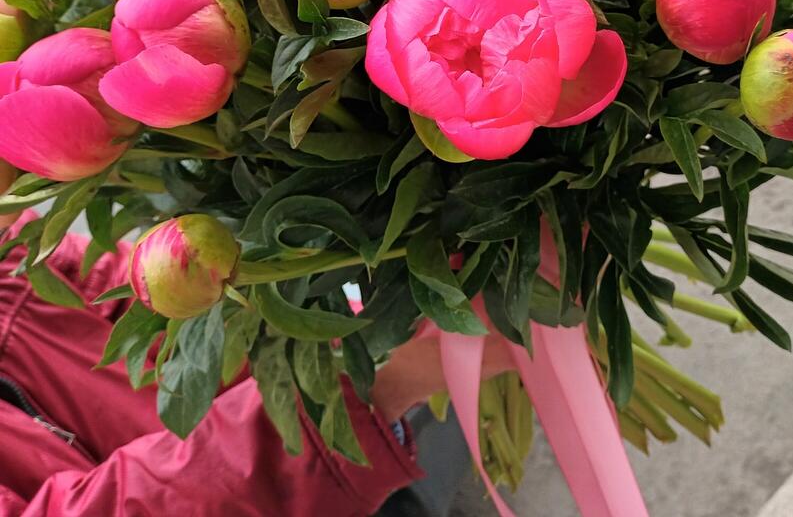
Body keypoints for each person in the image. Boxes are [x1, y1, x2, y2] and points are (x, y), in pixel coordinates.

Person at [0, 177, 501, 517]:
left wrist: (362, 320)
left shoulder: (12, 254)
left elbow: (145, 301)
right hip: (285, 460)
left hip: (302, 463)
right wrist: (365, 386)